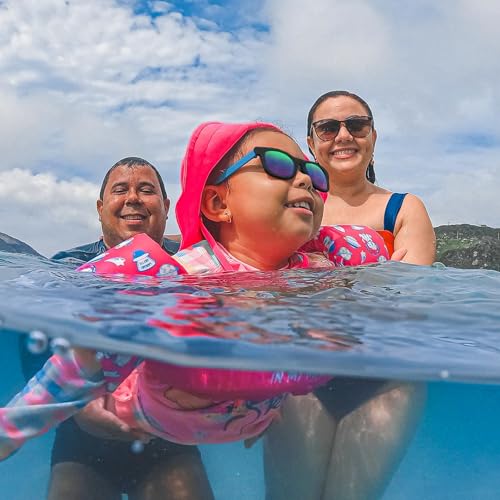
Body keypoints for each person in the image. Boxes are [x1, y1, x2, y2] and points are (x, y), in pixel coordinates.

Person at [1, 122, 398, 459]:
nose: (305, 179)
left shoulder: (320, 269)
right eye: (277, 165)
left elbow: (385, 264)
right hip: (144, 411)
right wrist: (12, 431)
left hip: (251, 415)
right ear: (217, 202)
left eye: (312, 174)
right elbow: (78, 361)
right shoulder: (184, 276)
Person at [264, 91, 436, 499]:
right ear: (311, 143)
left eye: (356, 125)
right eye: (328, 128)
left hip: (385, 379)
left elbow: (410, 300)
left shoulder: (405, 209)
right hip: (301, 375)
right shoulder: (291, 205)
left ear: (373, 136)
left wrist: (323, 286)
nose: (343, 136)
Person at [18, 156, 214, 500]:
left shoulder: (194, 265)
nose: (133, 198)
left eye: (146, 190)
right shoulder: (69, 268)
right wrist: (79, 406)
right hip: (83, 432)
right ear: (100, 208)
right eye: (120, 190)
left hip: (165, 435)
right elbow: (34, 340)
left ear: (166, 206)